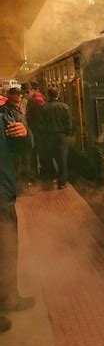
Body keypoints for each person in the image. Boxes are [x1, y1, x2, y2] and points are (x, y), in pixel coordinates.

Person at [0, 105, 35, 332]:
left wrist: (25, 134)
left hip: (4, 196)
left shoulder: (2, 118)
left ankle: (9, 298)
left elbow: (25, 146)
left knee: (8, 251)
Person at [41, 87, 73, 189]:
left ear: (48, 95)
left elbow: (41, 124)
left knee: (50, 157)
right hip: (61, 136)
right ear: (58, 95)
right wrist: (67, 133)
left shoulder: (43, 107)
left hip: (48, 136)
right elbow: (69, 124)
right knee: (62, 159)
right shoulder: (64, 107)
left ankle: (52, 177)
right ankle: (62, 182)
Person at [3, 88, 32, 187]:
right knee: (16, 168)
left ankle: (24, 183)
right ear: (10, 95)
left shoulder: (20, 107)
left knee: (25, 163)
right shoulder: (5, 110)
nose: (20, 96)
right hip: (14, 146)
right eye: (16, 94)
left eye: (20, 94)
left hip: (24, 141)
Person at [22, 82, 47, 178]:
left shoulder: (36, 101)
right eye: (24, 93)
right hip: (36, 130)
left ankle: (39, 172)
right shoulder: (36, 99)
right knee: (38, 152)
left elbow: (38, 118)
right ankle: (39, 171)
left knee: (37, 152)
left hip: (37, 131)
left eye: (27, 92)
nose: (25, 95)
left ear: (32, 90)